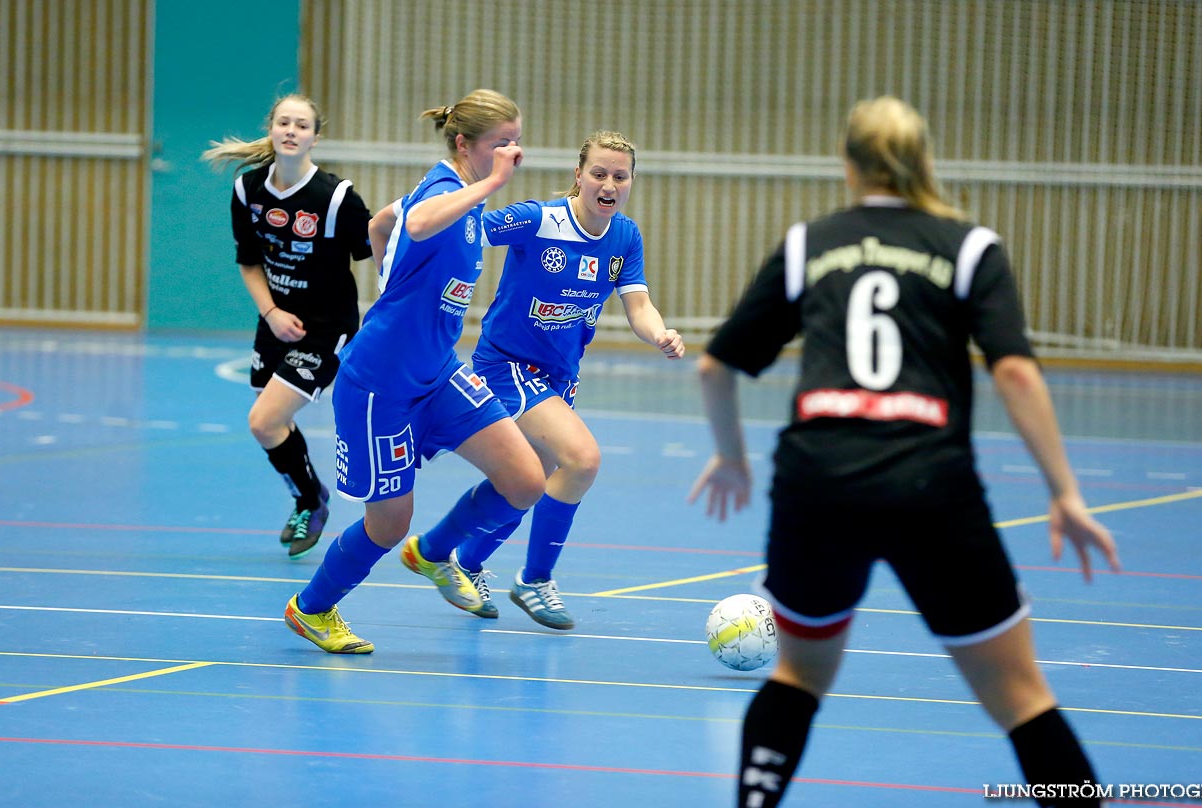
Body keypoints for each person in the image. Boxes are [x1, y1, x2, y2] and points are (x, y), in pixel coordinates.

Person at [687, 97, 1121, 808]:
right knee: (1018, 694)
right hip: (929, 483)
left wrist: (732, 457)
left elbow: (716, 367)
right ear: (924, 160)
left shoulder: (812, 242)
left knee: (797, 677)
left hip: (817, 480)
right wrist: (1064, 491)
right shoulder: (969, 245)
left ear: (848, 163)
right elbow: (1014, 370)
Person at [284, 88, 546, 655]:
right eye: (502, 144)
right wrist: (493, 183)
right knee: (387, 524)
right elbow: (420, 220)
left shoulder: (468, 200)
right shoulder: (449, 188)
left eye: (517, 143)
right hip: (379, 386)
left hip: (438, 376)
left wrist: (385, 259)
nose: (512, 154)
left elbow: (384, 222)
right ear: (463, 145)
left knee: (526, 479)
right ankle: (312, 609)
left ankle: (433, 553)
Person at [452, 130, 684, 630]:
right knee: (582, 459)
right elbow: (467, 227)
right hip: (507, 364)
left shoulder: (624, 236)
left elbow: (638, 304)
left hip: (560, 375)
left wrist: (659, 334)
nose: (609, 183)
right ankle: (534, 580)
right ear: (578, 176)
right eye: (599, 173)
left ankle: (465, 563)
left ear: (630, 183)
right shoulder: (538, 219)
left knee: (529, 482)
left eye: (620, 176)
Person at [201, 94, 373, 559]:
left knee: (264, 420)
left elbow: (377, 253)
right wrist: (271, 314)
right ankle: (310, 496)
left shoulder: (336, 197)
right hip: (276, 320)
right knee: (270, 426)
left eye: (302, 125)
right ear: (272, 129)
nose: (292, 130)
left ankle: (309, 501)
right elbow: (249, 260)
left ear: (315, 136)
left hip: (325, 325)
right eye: (284, 122)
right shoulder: (248, 190)